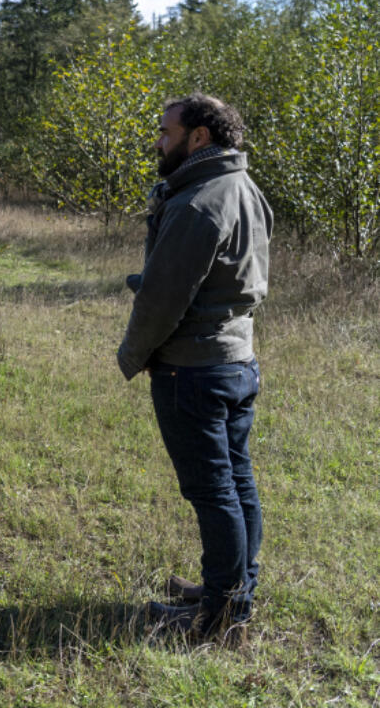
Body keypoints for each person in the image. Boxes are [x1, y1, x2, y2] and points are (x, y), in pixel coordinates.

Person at [117, 93, 273, 643]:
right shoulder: (244, 187)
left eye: (166, 132)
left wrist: (131, 355)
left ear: (199, 137)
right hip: (237, 363)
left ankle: (223, 616)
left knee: (215, 493)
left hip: (195, 371)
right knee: (236, 483)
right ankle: (233, 590)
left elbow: (162, 299)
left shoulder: (199, 202)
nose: (158, 141)